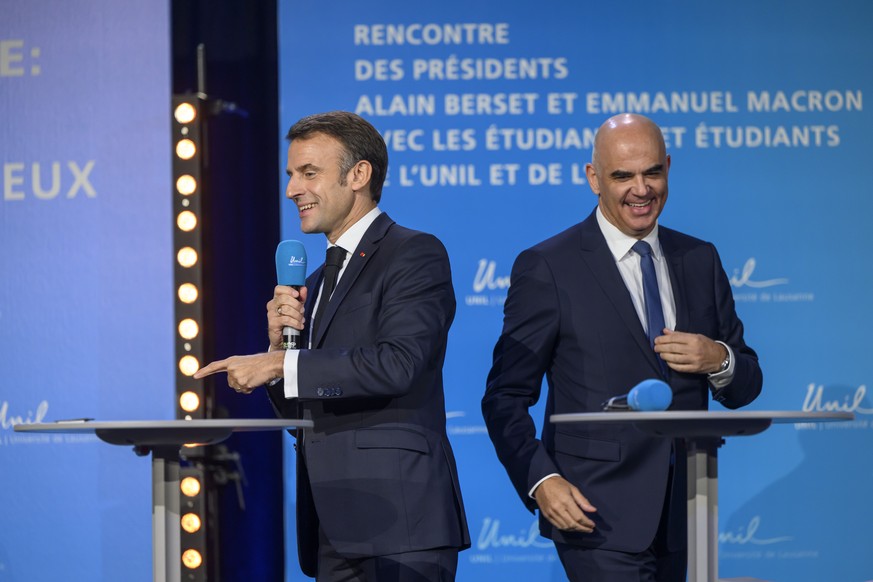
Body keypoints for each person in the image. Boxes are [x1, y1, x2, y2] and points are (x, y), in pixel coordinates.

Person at [481, 113, 763, 581]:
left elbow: (745, 386)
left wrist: (719, 359)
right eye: (622, 176)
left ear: (668, 168)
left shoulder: (699, 258)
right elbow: (504, 397)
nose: (641, 189)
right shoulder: (549, 267)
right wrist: (541, 480)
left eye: (652, 172)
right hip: (594, 512)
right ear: (593, 178)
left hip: (686, 509)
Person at [195, 111, 470, 581]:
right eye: (290, 176)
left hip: (400, 524)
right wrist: (279, 355)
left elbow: (398, 365)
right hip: (332, 523)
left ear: (359, 174)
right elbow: (303, 412)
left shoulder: (413, 253)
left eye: (309, 173)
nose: (292, 190)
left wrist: (282, 363)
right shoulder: (318, 280)